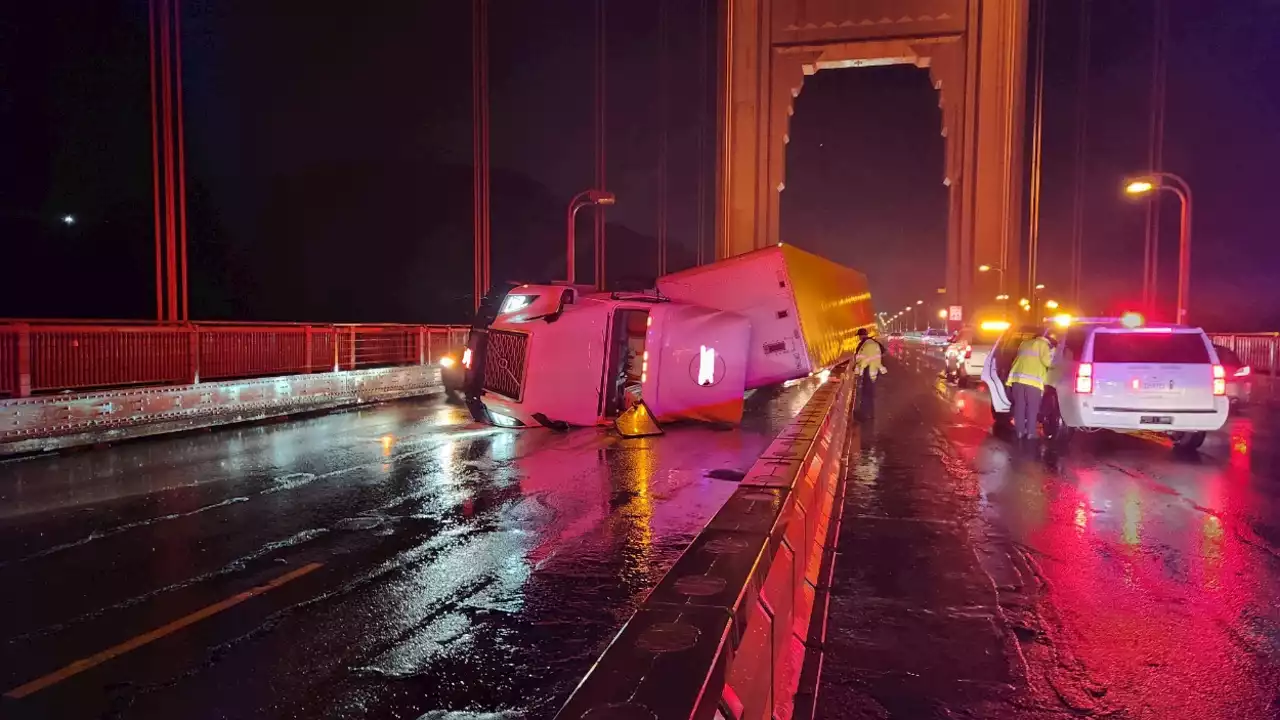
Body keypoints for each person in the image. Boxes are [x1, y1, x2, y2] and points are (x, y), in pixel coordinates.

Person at [1008, 327, 1058, 441]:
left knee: (1019, 407)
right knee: (1032, 409)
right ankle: (1031, 433)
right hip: (1033, 383)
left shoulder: (1024, 344)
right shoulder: (1044, 346)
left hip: (1017, 380)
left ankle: (1020, 432)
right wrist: (1057, 361)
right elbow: (1047, 363)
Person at [852, 327, 887, 419]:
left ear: (862, 335)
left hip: (868, 370)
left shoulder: (862, 344)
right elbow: (884, 351)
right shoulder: (874, 342)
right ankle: (871, 414)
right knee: (869, 392)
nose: (859, 338)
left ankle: (864, 414)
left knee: (865, 392)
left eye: (859, 336)